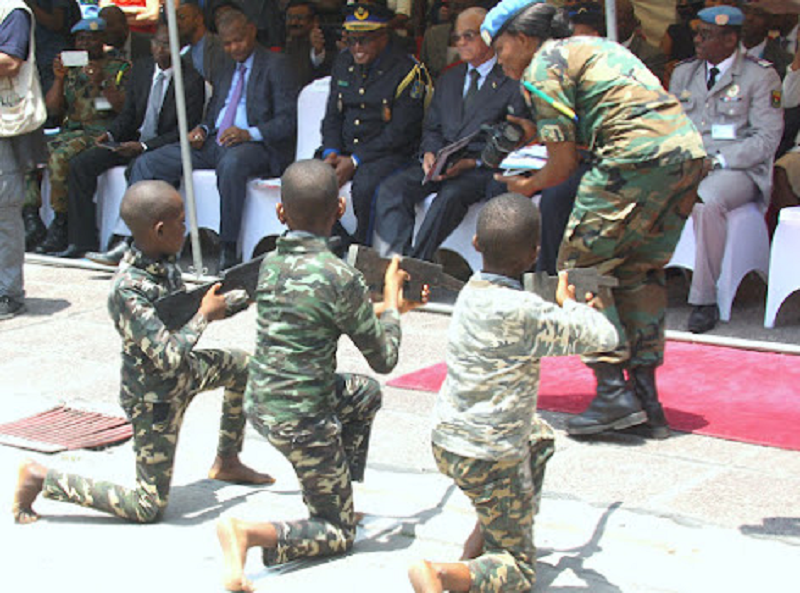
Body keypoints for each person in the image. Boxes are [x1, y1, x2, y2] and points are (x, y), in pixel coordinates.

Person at [483, 0, 706, 439]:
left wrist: (527, 186)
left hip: (631, 160)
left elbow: (561, 166)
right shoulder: (593, 46)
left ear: (523, 39)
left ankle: (610, 394)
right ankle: (646, 399)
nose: (500, 59)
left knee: (578, 271)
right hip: (685, 157)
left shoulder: (543, 65)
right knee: (636, 273)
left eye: (501, 48)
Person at [215, 159, 427, 592]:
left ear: (280, 213)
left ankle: (337, 490)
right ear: (341, 208)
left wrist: (388, 310)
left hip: (262, 402)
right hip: (303, 420)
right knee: (337, 534)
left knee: (364, 395)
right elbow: (384, 358)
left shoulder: (269, 263)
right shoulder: (341, 276)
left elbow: (318, 313)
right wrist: (391, 302)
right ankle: (251, 533)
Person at [12, 180, 275, 524]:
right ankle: (41, 478)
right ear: (161, 230)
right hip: (154, 399)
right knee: (147, 506)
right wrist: (205, 315)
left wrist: (242, 296)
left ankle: (227, 460)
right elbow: (167, 355)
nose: (186, 228)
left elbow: (183, 315)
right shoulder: (128, 290)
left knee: (243, 365)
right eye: (181, 222)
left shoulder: (162, 261)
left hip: (185, 373)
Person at [407, 193, 618, 593]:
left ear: (475, 245)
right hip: (489, 456)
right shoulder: (527, 312)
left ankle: (486, 536)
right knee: (519, 572)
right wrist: (575, 305)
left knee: (538, 438)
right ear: (535, 253)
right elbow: (603, 337)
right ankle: (441, 575)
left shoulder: (469, 292)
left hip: (449, 439)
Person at [129, 8, 298, 272]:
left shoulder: (276, 65)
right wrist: (203, 130)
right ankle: (142, 243)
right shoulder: (225, 65)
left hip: (257, 146)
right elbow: (215, 111)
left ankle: (228, 248)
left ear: (252, 31)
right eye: (227, 43)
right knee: (149, 163)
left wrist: (248, 133)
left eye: (238, 41)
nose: (233, 48)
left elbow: (288, 121)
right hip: (214, 143)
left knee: (232, 164)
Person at [373, 6, 524, 261]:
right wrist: (430, 153)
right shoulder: (450, 77)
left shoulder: (510, 78)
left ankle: (414, 265)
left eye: (469, 36)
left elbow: (514, 135)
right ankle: (393, 260)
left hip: (480, 168)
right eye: (456, 38)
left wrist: (472, 162)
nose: (461, 43)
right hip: (442, 163)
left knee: (450, 196)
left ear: (490, 36)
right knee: (392, 189)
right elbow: (433, 126)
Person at [670, 5, 783, 334]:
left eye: (705, 35)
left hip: (738, 170)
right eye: (696, 33)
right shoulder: (684, 73)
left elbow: (766, 139)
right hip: (689, 163)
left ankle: (704, 298)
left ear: (731, 38)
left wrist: (717, 161)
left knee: (705, 201)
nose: (697, 41)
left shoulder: (761, 75)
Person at [54, 21, 206, 261]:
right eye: (156, 43)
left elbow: (182, 130)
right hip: (132, 139)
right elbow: (129, 115)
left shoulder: (191, 81)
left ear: (180, 48)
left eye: (166, 44)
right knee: (80, 165)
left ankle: (126, 241)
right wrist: (111, 135)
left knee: (139, 165)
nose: (159, 49)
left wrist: (145, 147)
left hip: (160, 146)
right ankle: (81, 241)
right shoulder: (143, 69)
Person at [319, 2, 430, 247]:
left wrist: (355, 160)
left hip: (389, 154)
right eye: (351, 40)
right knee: (310, 179)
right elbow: (333, 116)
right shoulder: (343, 62)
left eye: (365, 40)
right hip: (346, 149)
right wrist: (331, 152)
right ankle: (337, 242)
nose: (357, 48)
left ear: (383, 36)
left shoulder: (409, 70)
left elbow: (401, 132)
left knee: (365, 185)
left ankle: (363, 248)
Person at [25, 16, 131, 255]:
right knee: (30, 154)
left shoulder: (119, 67)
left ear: (103, 40)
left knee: (60, 158)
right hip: (69, 131)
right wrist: (60, 78)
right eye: (81, 38)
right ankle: (32, 220)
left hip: (99, 132)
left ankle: (62, 225)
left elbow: (120, 110)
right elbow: (53, 109)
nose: (86, 43)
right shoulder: (71, 66)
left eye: (93, 38)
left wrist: (101, 82)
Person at [1, 0, 47, 321]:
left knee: (4, 210)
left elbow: (10, 60)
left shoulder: (12, 10)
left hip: (5, 126)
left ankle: (9, 292)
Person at [282, 0, 335, 89]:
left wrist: (318, 51)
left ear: (314, 21)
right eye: (290, 18)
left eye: (299, 18)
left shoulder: (327, 41)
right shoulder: (278, 38)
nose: (293, 22)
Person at [176, 0, 226, 82]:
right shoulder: (185, 54)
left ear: (199, 19)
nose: (178, 23)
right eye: (176, 19)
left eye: (182, 18)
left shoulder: (220, 45)